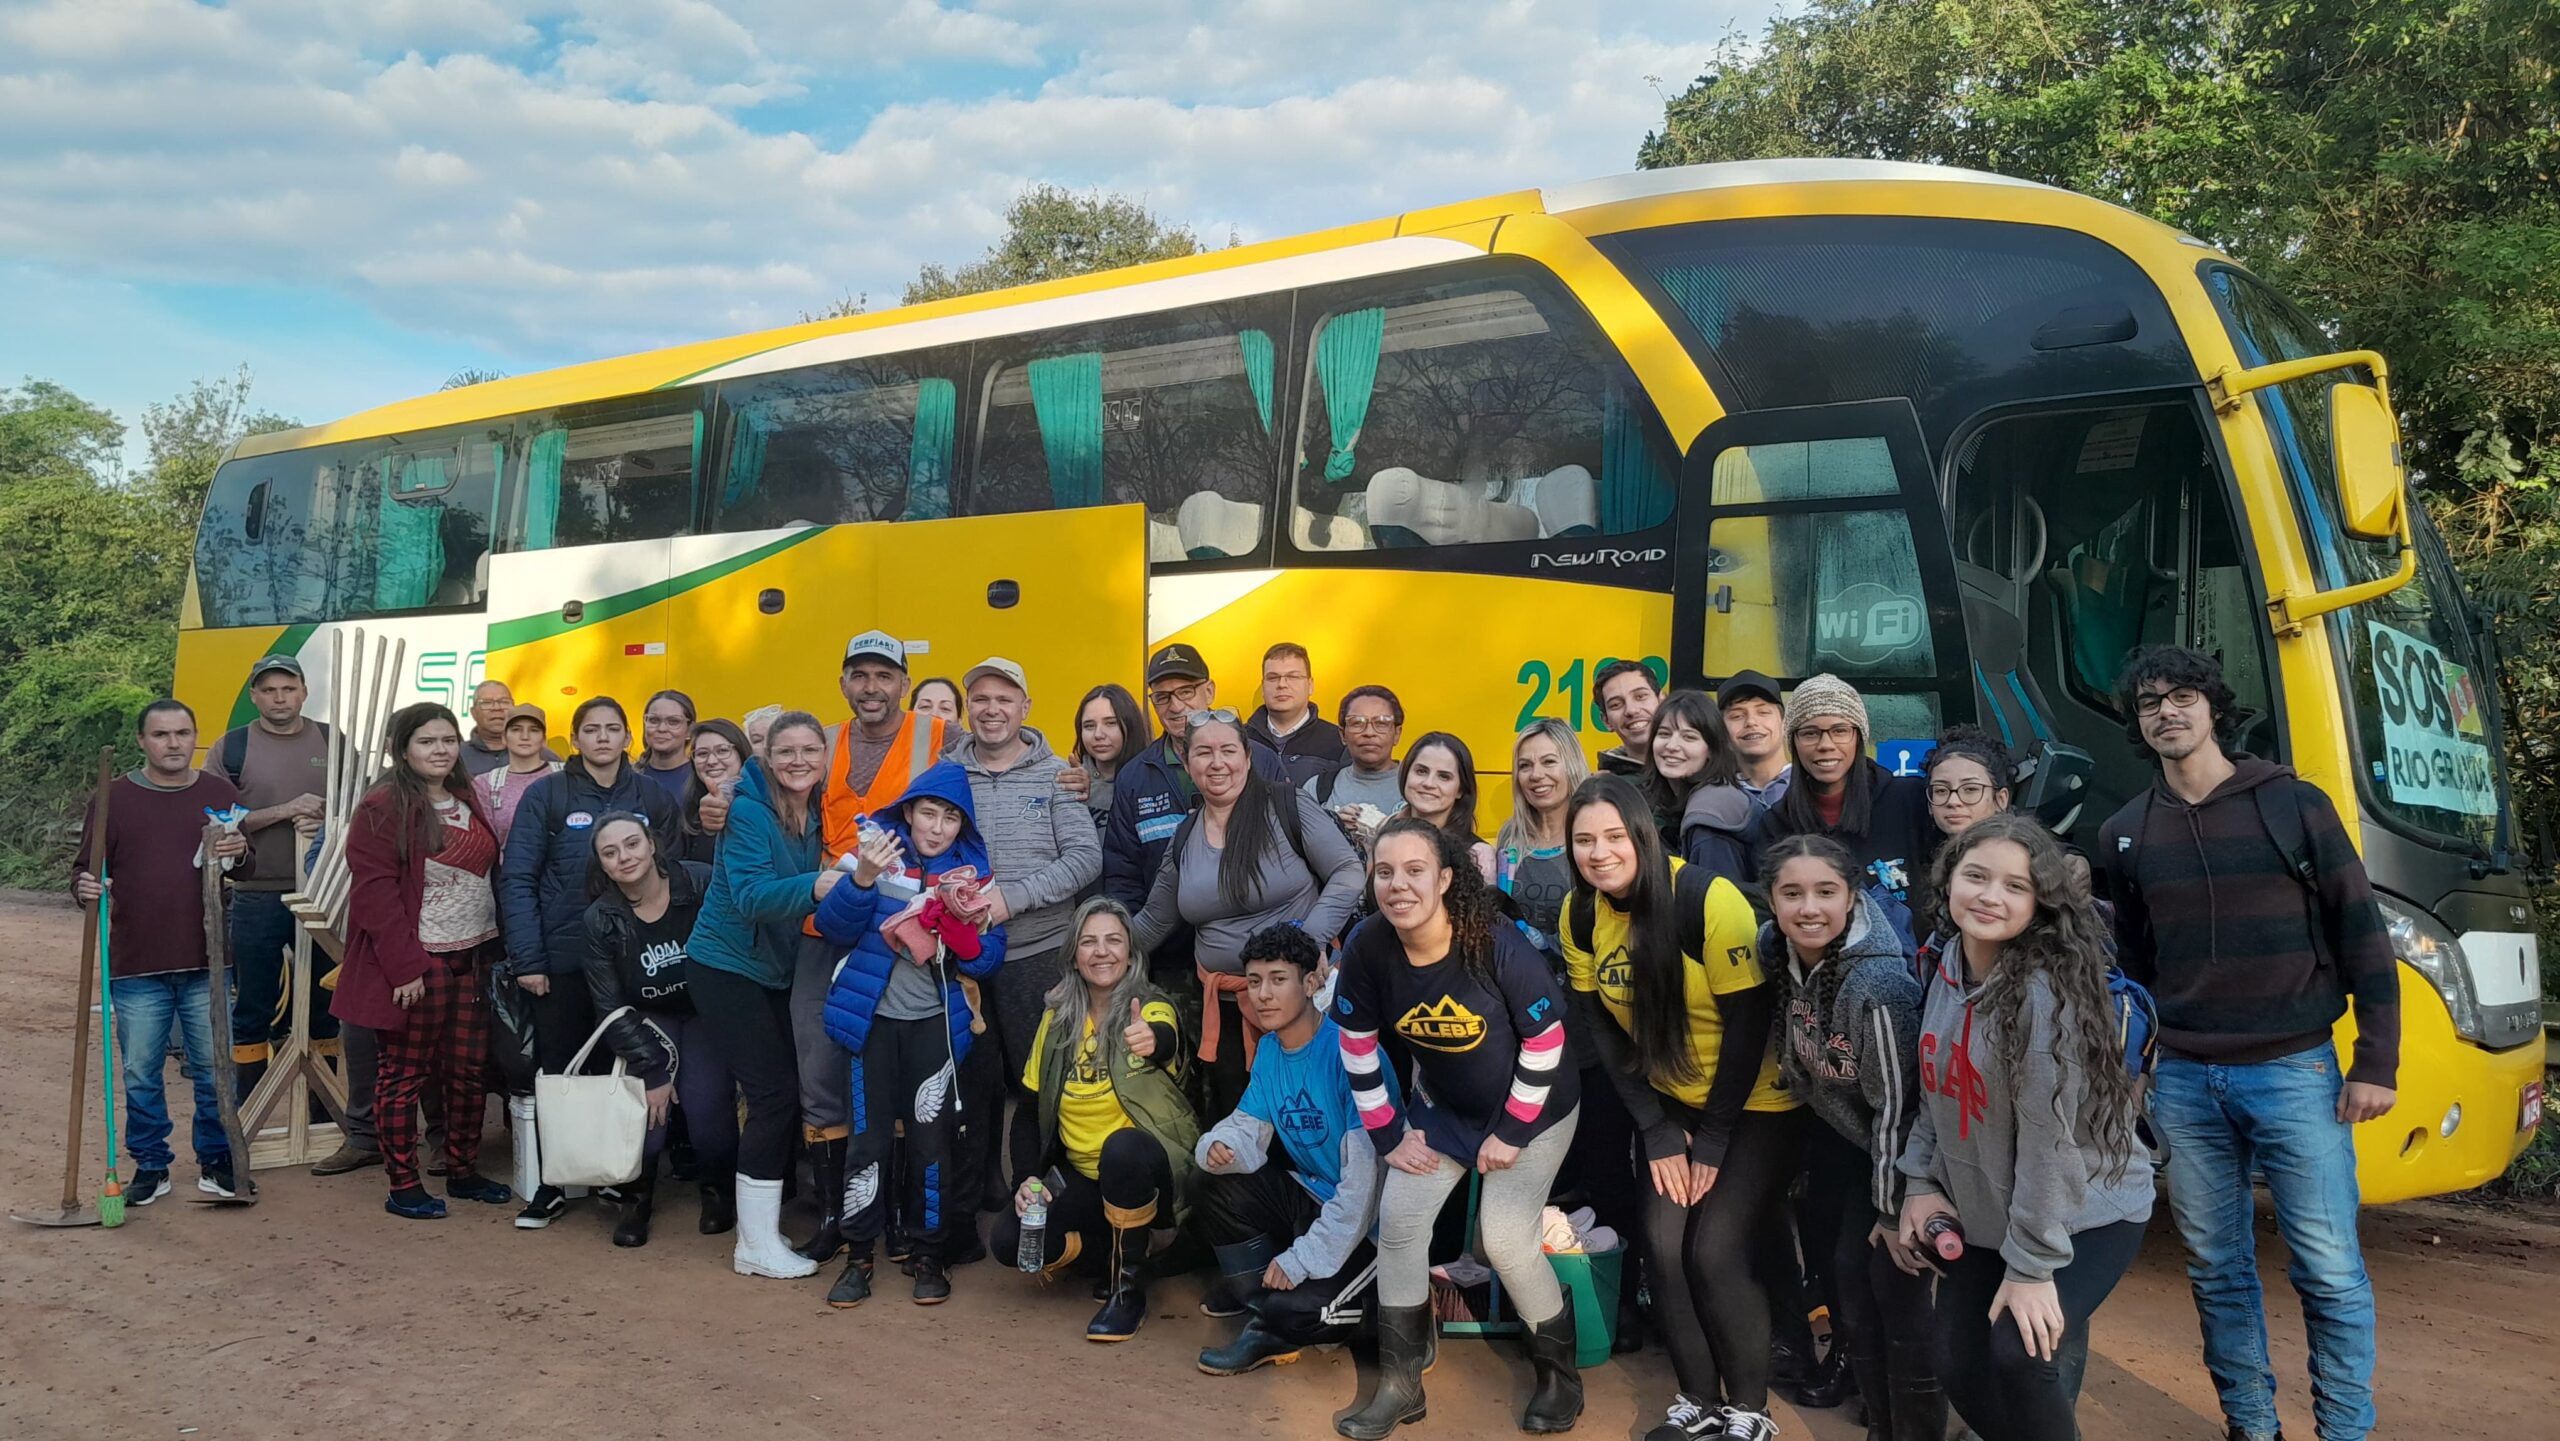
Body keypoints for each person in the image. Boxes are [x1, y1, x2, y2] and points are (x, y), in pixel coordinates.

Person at [2095, 646, 2397, 1441]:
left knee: (2329, 1271)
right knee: (2217, 1270)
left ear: (2214, 707)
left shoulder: (2294, 805)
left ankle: (2343, 1429)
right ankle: (2251, 1425)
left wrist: (2377, 1061)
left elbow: (2362, 933)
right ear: (2138, 722)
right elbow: (2133, 968)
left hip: (2296, 1069)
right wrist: (2137, 1068)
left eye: (2182, 695)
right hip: (2185, 1081)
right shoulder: (2125, 833)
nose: (2166, 710)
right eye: (2150, 701)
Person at [1897, 813, 2152, 1441]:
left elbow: (2051, 1145)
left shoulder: (2044, 995)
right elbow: (1935, 1091)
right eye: (1976, 876)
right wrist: (1919, 1183)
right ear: (1947, 880)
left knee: (2019, 1354)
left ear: (2039, 902)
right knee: (1957, 1361)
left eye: (2015, 886)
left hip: (2086, 1210)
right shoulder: (1948, 965)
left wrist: (2033, 1269)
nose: (1990, 896)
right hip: (1991, 1211)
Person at [1560, 776, 1796, 1441]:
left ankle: (1750, 1411)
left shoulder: (1707, 899)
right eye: (1584, 839)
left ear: (1641, 832)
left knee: (1713, 1250)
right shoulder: (1582, 913)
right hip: (1673, 1104)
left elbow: (1750, 1024)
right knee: (1663, 1247)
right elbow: (1603, 1027)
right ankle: (1697, 1399)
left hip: (1755, 1103)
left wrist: (1714, 1135)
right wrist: (1658, 1128)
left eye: (1613, 836)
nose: (1600, 853)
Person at [1336, 818, 1582, 1440]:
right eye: (1384, 872)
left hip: (1537, 1105)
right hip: (1444, 1110)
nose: (1398, 886)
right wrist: (1390, 1134)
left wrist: (1512, 1131)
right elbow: (1357, 1043)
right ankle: (1401, 1384)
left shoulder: (1493, 941)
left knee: (1503, 1239)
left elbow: (1547, 1040)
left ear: (1445, 879)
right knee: (1399, 1227)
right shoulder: (1369, 945)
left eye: (1415, 871)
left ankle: (1560, 1376)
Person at [812, 760, 1008, 1306]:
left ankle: (928, 1255)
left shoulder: (974, 879)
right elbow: (833, 929)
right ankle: (857, 1256)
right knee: (867, 1145)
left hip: (935, 1032)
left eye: (950, 817)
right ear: (908, 811)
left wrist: (964, 939)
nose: (938, 826)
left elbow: (990, 958)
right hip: (870, 1027)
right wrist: (863, 880)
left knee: (931, 1147)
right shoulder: (875, 856)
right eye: (928, 812)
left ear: (962, 825)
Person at [1764, 834, 1940, 1441]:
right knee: (1835, 1268)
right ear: (1772, 900)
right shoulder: (1777, 951)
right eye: (1792, 894)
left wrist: (1892, 1208)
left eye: (1825, 892)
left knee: (1874, 1272)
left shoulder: (1878, 986)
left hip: (1894, 1146)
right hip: (1835, 1133)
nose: (1808, 908)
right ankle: (1861, 1380)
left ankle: (1910, 1411)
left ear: (1852, 896)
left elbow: (1899, 1107)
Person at [797, 630, 956, 1262]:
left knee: (893, 1070)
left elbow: (1007, 752)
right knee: (819, 1064)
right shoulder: (825, 741)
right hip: (830, 923)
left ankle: (892, 1216)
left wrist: (1069, 773)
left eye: (884, 675)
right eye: (859, 675)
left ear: (904, 684)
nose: (871, 688)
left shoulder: (937, 736)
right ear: (842, 682)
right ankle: (837, 1212)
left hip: (903, 927)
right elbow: (770, 777)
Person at [498, 694, 680, 1229]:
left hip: (636, 959)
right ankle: (554, 1183)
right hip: (562, 958)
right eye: (591, 729)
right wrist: (528, 958)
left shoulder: (650, 795)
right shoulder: (546, 794)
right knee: (559, 1073)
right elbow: (518, 878)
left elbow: (669, 869)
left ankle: (620, 1175)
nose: (602, 738)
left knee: (623, 1072)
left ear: (629, 738)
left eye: (613, 729)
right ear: (574, 740)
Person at [332, 703, 515, 1220]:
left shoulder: (464, 795)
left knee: (465, 1072)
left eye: (448, 740)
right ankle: (404, 1184)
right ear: (403, 749)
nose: (441, 750)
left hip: (473, 956)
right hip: (420, 963)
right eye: (427, 742)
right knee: (403, 1076)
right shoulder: (383, 805)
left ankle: (461, 1170)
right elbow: (375, 895)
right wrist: (405, 968)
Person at [1133, 712, 1364, 1117]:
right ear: (1188, 764)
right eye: (1203, 752)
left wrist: (1305, 943)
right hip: (1223, 1009)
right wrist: (1098, 950)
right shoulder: (1185, 837)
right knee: (1238, 1122)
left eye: (1228, 750)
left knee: (1310, 1115)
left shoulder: (1286, 805)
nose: (1217, 762)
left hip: (1300, 1002)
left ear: (1248, 757)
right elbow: (1154, 920)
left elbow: (1348, 872)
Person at [992, 898, 1198, 1342]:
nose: (1101, 952)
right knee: (1012, 1241)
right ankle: (1115, 1251)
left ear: (1131, 953)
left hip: (1146, 1172)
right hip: (1083, 1176)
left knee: (1121, 1148)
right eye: (1089, 942)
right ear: (1073, 955)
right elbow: (1028, 1113)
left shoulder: (1151, 1006)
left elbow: (1165, 1036)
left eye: (1113, 941)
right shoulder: (1057, 1019)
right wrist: (1026, 1181)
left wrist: (1153, 1040)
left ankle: (1128, 1289)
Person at [71, 699, 250, 1205]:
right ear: (142, 741)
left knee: (215, 1068)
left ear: (197, 737)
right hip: (137, 963)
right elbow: (86, 869)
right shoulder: (114, 798)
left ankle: (218, 1162)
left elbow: (245, 864)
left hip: (208, 960)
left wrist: (239, 855)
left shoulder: (219, 792)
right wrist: (85, 886)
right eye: (161, 734)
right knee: (140, 1072)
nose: (173, 743)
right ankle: (151, 1167)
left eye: (183, 733)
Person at [685, 710, 841, 1278]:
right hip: (726, 967)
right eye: (786, 752)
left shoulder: (818, 808)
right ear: (767, 759)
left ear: (824, 758)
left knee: (785, 1093)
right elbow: (751, 897)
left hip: (772, 969)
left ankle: (762, 1228)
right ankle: (753, 1243)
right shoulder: (747, 812)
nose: (798, 761)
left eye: (810, 751)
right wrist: (818, 886)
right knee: (773, 1096)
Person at [1192, 923, 1385, 1374]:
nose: (1263, 995)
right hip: (1312, 1198)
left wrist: (1303, 1259)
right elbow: (1247, 1127)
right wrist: (1223, 1145)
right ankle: (1262, 1310)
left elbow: (1365, 1186)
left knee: (1295, 1314)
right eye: (1255, 981)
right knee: (1209, 1182)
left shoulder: (1350, 1054)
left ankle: (1387, 1314)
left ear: (1312, 982)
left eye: (1278, 979)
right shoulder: (1271, 1051)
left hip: (1371, 1225)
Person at [948, 657, 1102, 1218]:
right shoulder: (945, 773)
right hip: (961, 957)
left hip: (1037, 954)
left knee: (1041, 1080)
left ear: (1026, 708)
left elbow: (1085, 858)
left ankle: (1050, 1190)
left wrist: (1011, 898)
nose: (992, 710)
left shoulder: (1056, 774)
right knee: (975, 1078)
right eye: (981, 699)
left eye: (1004, 699)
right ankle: (986, 1186)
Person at [582, 813, 736, 1246]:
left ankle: (717, 1191)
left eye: (632, 844)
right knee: (649, 1117)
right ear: (602, 864)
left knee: (708, 1109)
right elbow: (609, 1006)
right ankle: (636, 1200)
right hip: (646, 1017)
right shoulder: (600, 918)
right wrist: (651, 1071)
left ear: (651, 844)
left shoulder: (700, 882)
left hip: (707, 1010)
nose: (624, 857)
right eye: (610, 853)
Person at [1743, 673, 1933, 955]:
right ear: (1793, 742)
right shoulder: (1777, 823)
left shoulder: (1909, 799)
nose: (1826, 744)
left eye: (1840, 731)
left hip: (1913, 976)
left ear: (1858, 737)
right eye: (1810, 733)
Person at [212, 653, 330, 1102]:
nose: (280, 697)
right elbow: (218, 821)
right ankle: (249, 1108)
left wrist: (327, 823)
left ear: (304, 691)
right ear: (254, 696)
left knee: (324, 1003)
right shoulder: (234, 747)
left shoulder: (329, 739)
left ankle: (324, 1109)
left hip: (322, 894)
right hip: (255, 895)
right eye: (269, 689)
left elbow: (362, 805)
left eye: (288, 688)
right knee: (254, 1005)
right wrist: (284, 811)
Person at [1101, 643, 1285, 928]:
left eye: (1186, 691)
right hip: (1166, 953)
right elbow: (1123, 873)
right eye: (1162, 697)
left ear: (1209, 691)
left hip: (1252, 946)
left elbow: (1289, 854)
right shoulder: (1135, 777)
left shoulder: (1261, 761)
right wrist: (1133, 939)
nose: (1175, 706)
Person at [1494, 718, 1590, 970]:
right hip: (1519, 985)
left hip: (1579, 987)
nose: (1536, 775)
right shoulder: (1510, 834)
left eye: (1549, 762)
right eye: (1525, 766)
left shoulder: (1592, 834)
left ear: (1572, 766)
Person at [1641, 689, 1755, 887]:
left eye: (1689, 737)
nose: (1672, 746)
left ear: (1711, 749)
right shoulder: (1668, 804)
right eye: (1664, 734)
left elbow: (1719, 903)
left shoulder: (1709, 818)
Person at [1306, 685, 1406, 850]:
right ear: (1342, 735)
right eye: (1357, 723)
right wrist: (1331, 828)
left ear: (1397, 733)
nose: (1369, 733)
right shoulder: (1317, 789)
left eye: (1381, 723)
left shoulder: (1418, 786)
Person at [1244, 642, 1349, 790]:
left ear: (1310, 685)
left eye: (1292, 677)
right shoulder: (1240, 739)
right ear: (1263, 686)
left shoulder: (1338, 742)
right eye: (1273, 678)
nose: (1282, 684)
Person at [1395, 731, 1495, 882]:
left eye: (1444, 776)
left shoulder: (1478, 855)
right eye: (1421, 771)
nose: (1429, 783)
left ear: (1460, 790)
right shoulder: (1385, 833)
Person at [1056, 682, 1147, 833]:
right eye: (1089, 726)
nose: (1098, 734)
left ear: (1131, 725)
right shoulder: (1069, 781)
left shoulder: (1152, 780)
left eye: (1111, 723)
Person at [472, 702, 561, 848]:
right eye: (516, 729)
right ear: (504, 738)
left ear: (544, 739)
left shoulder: (566, 775)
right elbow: (485, 841)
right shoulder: (486, 783)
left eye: (534, 730)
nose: (525, 736)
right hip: (508, 868)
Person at [678, 718, 751, 866]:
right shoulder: (689, 805)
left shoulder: (763, 799)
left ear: (741, 753)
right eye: (702, 754)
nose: (711, 761)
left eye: (722, 751)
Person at [1924, 726, 2014, 841]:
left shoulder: (2027, 856)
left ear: (2001, 799)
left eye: (1970, 789)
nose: (1953, 802)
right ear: (1930, 805)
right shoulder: (1919, 854)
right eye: (1941, 790)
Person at [1718, 671, 1792, 808]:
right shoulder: (1714, 797)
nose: (1751, 722)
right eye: (1737, 716)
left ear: (1785, 724)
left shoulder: (1810, 787)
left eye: (1763, 712)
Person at [1594, 658, 1661, 777]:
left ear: (1662, 701)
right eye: (1616, 705)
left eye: (1640, 696)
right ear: (1606, 721)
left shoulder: (1698, 769)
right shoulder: (1606, 789)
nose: (1631, 710)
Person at [638, 689, 698, 807]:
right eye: (654, 720)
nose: (662, 728)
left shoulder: (700, 777)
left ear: (690, 729)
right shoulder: (627, 776)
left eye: (673, 722)